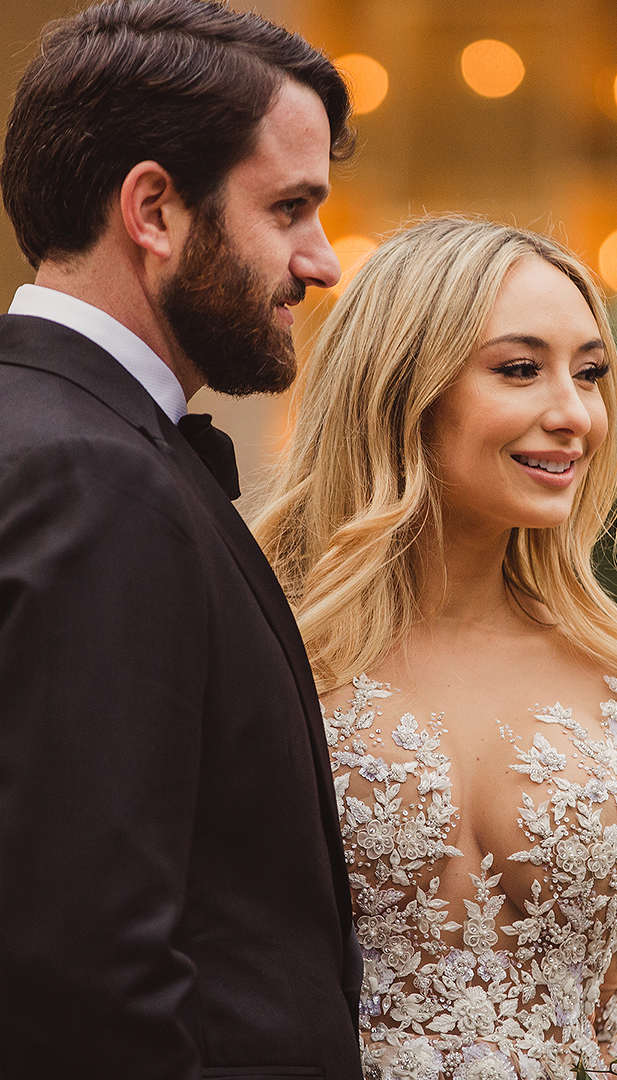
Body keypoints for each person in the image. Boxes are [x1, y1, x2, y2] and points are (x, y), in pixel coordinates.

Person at [0, 1, 364, 1077]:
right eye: (290, 207)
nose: (323, 261)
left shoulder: (61, 438)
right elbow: (81, 967)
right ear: (153, 209)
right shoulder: (95, 478)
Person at [253, 217, 617, 1080]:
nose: (574, 413)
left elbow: (602, 1023)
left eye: (591, 373)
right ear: (404, 387)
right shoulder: (269, 652)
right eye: (520, 369)